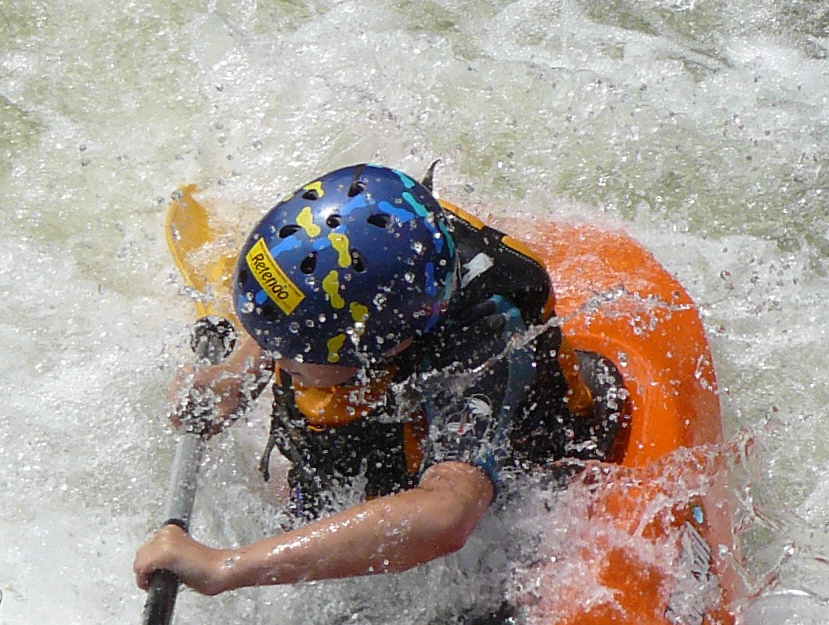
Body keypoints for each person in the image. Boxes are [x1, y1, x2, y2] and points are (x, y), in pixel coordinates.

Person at [134, 164, 624, 609]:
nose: (276, 357)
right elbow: (320, 300)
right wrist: (236, 376)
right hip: (392, 382)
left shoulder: (488, 336)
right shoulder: (380, 245)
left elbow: (448, 514)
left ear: (384, 346)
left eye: (288, 349)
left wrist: (228, 566)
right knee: (318, 441)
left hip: (526, 477)